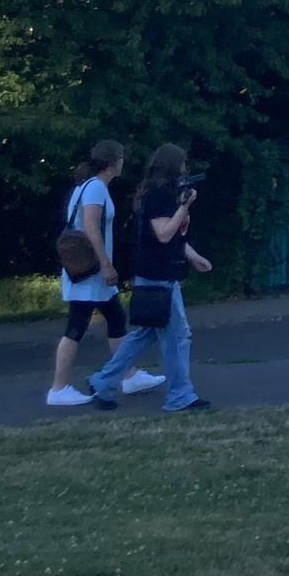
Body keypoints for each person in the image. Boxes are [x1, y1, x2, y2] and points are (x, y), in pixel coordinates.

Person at [87, 144, 212, 413]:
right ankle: (180, 396)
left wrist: (193, 256)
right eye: (182, 165)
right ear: (174, 166)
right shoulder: (159, 197)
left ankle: (103, 381)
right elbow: (165, 234)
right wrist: (185, 206)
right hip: (159, 276)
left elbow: (173, 238)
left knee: (144, 334)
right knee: (179, 336)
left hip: (155, 273)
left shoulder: (157, 194)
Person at [46, 140, 167, 408]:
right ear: (114, 162)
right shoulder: (96, 188)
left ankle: (128, 374)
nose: (124, 162)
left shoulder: (86, 186)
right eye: (122, 158)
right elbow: (91, 227)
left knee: (114, 318)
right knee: (77, 326)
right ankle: (59, 387)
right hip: (91, 273)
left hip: (88, 273)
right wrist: (105, 264)